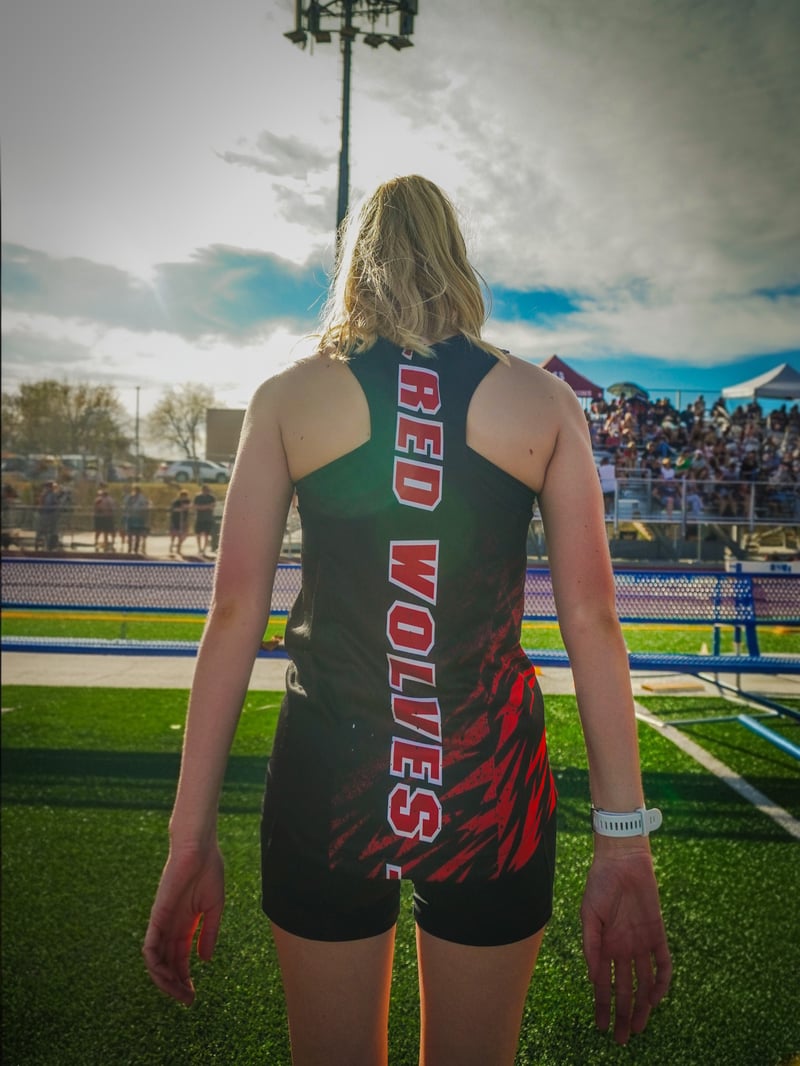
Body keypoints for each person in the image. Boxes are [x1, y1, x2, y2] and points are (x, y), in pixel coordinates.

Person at [143, 175, 671, 1062]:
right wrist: (621, 843)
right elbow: (593, 620)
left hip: (327, 778)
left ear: (356, 266)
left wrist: (189, 834)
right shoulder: (541, 403)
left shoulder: (288, 398)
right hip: (489, 785)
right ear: (457, 261)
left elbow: (234, 614)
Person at [123, 484, 149, 554]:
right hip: (130, 518)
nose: (136, 491)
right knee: (130, 534)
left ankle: (136, 549)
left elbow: (145, 506)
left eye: (137, 490)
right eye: (135, 489)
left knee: (138, 534)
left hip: (139, 518)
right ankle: (129, 548)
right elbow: (125, 505)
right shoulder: (129, 497)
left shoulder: (142, 498)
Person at [192, 482, 216, 556]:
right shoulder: (198, 497)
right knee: (198, 534)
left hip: (208, 519)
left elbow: (212, 506)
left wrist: (202, 507)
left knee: (207, 535)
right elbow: (195, 506)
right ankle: (199, 548)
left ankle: (204, 549)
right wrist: (206, 507)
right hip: (199, 518)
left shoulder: (211, 497)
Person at [169, 490, 191, 555]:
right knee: (174, 535)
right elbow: (174, 509)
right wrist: (181, 508)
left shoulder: (187, 501)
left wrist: (186, 507)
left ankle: (179, 548)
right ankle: (172, 545)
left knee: (182, 535)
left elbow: (190, 506)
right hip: (176, 520)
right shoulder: (176, 502)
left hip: (184, 520)